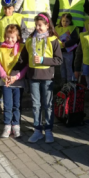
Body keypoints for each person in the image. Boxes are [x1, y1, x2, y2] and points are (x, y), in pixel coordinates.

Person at [21, 13, 62, 143]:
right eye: (36, 25)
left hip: (47, 76)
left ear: (47, 25)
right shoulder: (29, 40)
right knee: (36, 104)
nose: (38, 27)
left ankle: (48, 130)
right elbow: (23, 58)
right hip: (33, 76)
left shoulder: (53, 40)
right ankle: (37, 130)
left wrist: (44, 60)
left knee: (48, 104)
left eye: (41, 25)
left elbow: (59, 60)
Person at [0, 25, 29, 138]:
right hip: (6, 82)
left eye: (12, 37)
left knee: (17, 105)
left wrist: (17, 76)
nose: (10, 40)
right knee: (7, 105)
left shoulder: (22, 48)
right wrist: (4, 76)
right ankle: (7, 126)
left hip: (18, 82)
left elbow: (26, 65)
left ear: (18, 37)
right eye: (8, 37)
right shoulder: (1, 49)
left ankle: (16, 125)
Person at [55, 13, 79, 83]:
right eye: (63, 21)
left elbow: (75, 39)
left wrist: (66, 44)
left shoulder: (72, 29)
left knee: (68, 67)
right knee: (62, 67)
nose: (65, 23)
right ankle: (63, 82)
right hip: (60, 51)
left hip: (68, 51)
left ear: (70, 21)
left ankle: (69, 82)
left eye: (67, 21)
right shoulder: (57, 28)